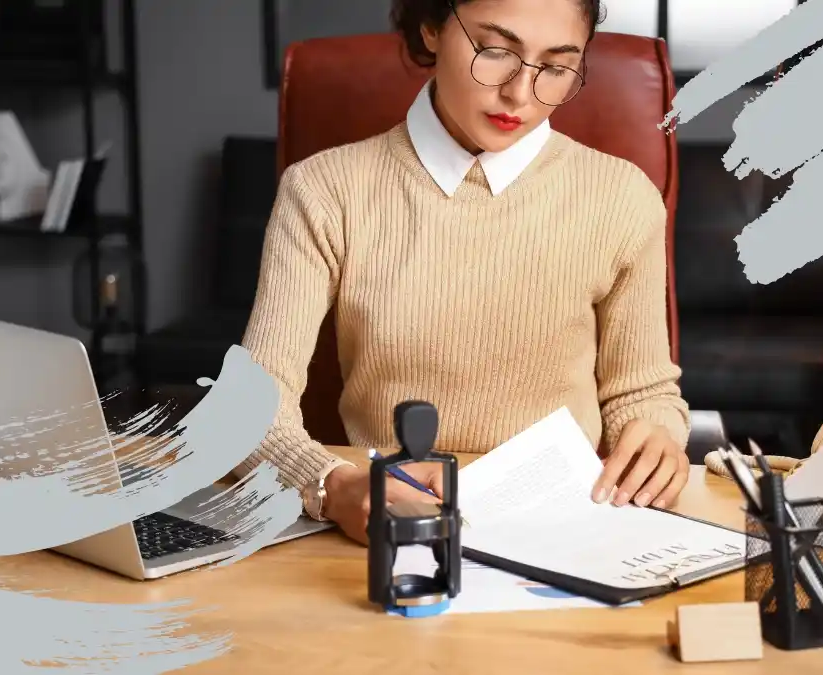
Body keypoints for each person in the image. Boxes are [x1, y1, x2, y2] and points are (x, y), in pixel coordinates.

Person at [237, 0, 691, 544]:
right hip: (390, 533)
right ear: (430, 28)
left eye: (556, 65)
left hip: (562, 531)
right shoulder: (324, 192)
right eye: (496, 51)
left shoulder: (621, 198)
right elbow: (249, 410)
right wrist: (332, 487)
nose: (521, 95)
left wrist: (659, 435)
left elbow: (641, 392)